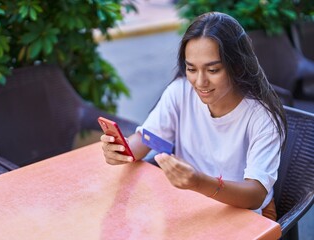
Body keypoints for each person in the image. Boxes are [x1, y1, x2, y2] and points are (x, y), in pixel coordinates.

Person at [100, 12, 287, 221]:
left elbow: (255, 194)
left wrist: (199, 182)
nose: (200, 82)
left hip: (245, 214)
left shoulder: (262, 118)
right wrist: (121, 150)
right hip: (189, 204)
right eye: (191, 69)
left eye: (213, 70)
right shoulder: (180, 92)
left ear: (237, 66)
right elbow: (147, 140)